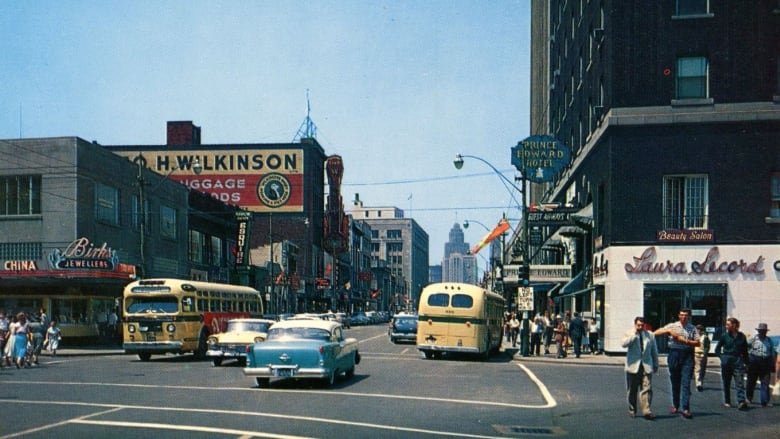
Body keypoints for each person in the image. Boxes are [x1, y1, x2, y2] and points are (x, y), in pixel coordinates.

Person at [653, 308, 700, 419]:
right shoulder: (673, 325)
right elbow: (656, 332)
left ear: (689, 317)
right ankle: (675, 404)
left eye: (686, 315)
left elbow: (698, 343)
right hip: (674, 354)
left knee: (686, 382)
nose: (683, 317)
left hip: (687, 355)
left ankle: (686, 408)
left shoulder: (692, 328)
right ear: (679, 316)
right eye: (681, 315)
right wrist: (668, 331)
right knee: (675, 381)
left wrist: (685, 341)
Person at [622, 316, 659, 419]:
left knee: (647, 388)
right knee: (632, 390)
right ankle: (632, 408)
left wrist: (656, 364)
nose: (640, 327)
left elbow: (654, 351)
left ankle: (646, 410)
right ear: (635, 324)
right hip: (633, 366)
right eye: (638, 325)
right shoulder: (629, 333)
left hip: (646, 365)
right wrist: (634, 336)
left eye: (642, 325)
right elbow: (623, 344)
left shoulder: (650, 335)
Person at [714, 317, 749, 410]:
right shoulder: (724, 336)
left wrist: (746, 363)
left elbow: (745, 351)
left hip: (737, 359)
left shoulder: (742, 336)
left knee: (740, 381)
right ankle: (727, 400)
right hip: (727, 359)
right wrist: (722, 357)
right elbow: (717, 349)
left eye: (728, 325)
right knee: (726, 381)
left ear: (734, 326)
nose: (726, 326)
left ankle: (741, 401)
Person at [746, 323, 777, 407]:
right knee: (751, 381)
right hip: (754, 361)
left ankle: (765, 401)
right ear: (758, 331)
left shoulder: (769, 340)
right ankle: (749, 398)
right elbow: (745, 347)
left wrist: (772, 363)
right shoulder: (753, 339)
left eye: (764, 331)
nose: (763, 332)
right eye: (761, 331)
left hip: (765, 362)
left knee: (765, 382)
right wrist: (746, 360)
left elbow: (772, 352)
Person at [694, 324, 710, 392]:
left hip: (703, 355)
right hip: (696, 354)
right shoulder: (694, 337)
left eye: (698, 330)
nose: (697, 331)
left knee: (702, 370)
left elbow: (707, 347)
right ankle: (698, 384)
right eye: (696, 330)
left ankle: (701, 382)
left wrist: (705, 354)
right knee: (697, 369)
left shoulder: (705, 337)